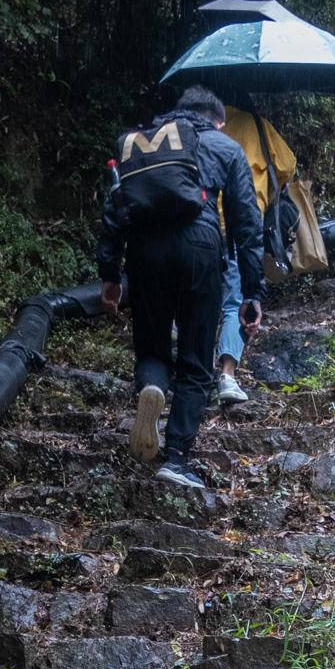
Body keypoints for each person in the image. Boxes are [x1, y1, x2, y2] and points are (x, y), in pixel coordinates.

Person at [98, 84, 264, 492]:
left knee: (153, 348)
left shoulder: (142, 146)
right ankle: (175, 457)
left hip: (144, 250)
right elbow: (246, 222)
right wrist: (252, 292)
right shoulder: (223, 147)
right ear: (218, 120)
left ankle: (152, 386)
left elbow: (114, 212)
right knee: (194, 357)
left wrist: (110, 275)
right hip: (200, 248)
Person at [216, 103, 296, 405]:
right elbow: (287, 165)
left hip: (201, 223)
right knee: (235, 301)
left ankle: (188, 368)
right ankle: (227, 375)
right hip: (242, 223)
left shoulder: (202, 128)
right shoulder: (255, 124)